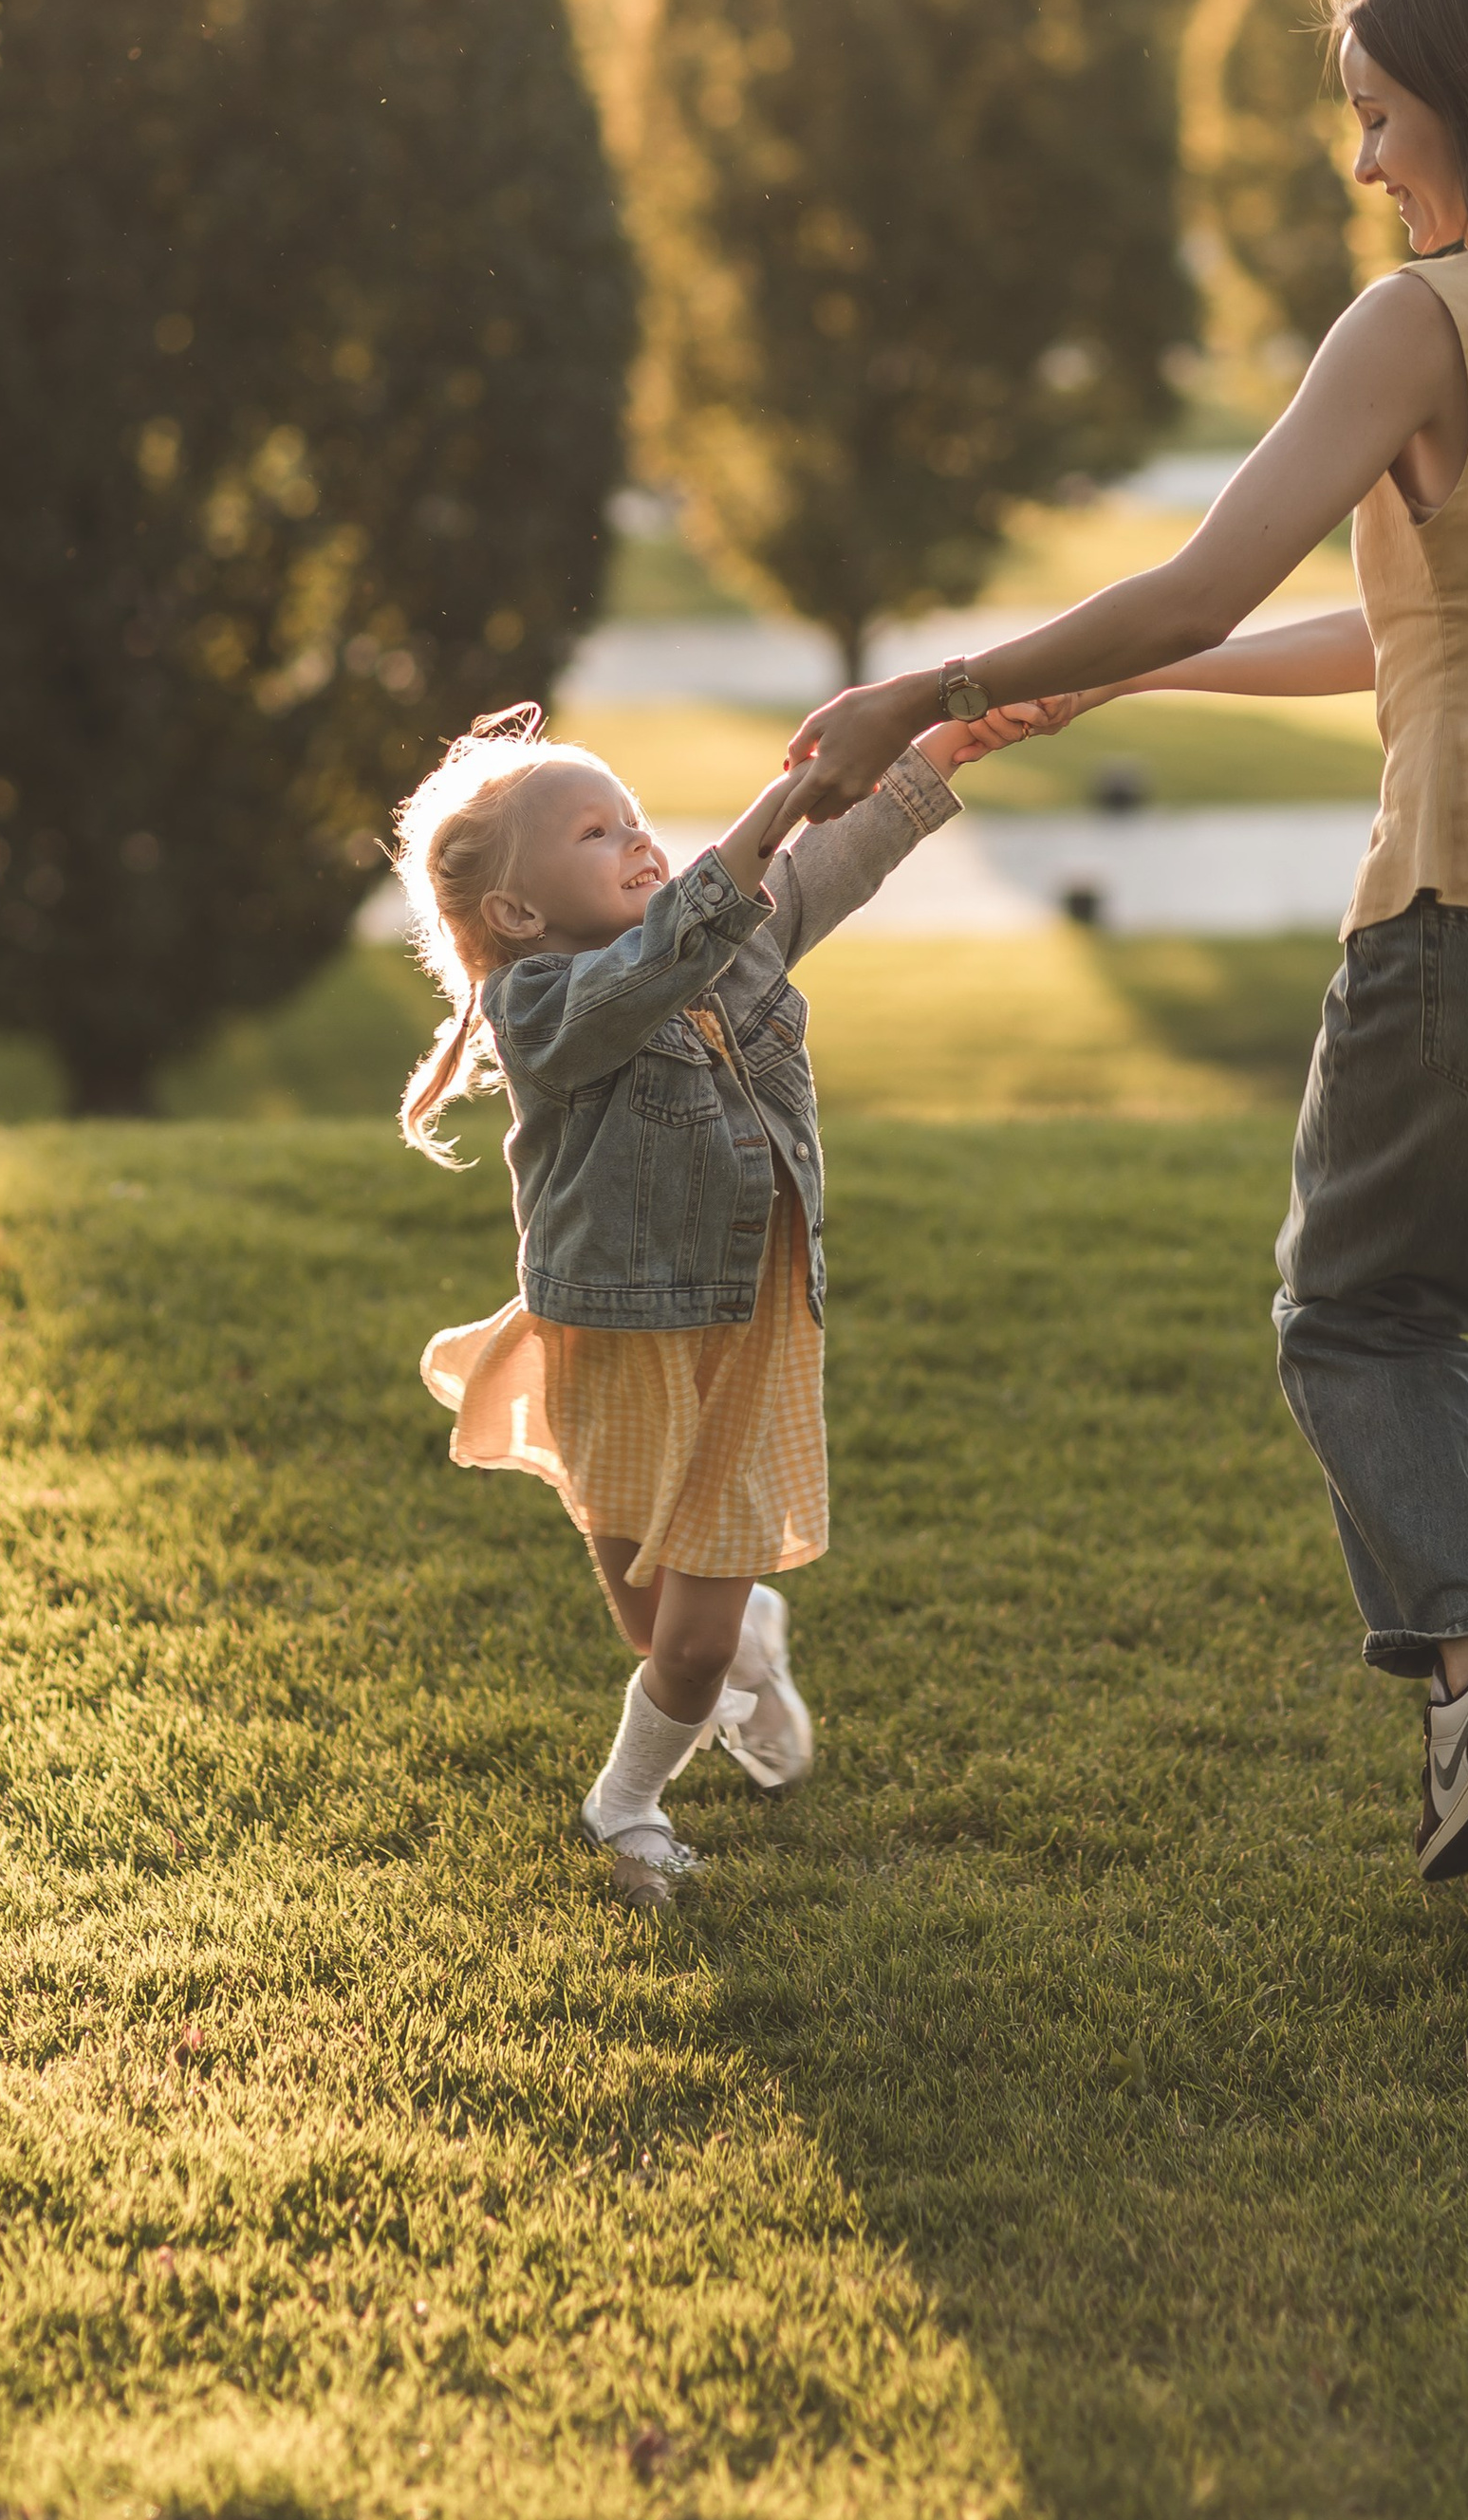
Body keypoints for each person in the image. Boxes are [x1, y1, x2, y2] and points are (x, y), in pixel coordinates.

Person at [783, 0, 1468, 1985]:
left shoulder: (1419, 320)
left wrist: (937, 685)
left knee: (1353, 1313)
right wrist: (1124, 696)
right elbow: (1428, 619)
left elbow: (1195, 579)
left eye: (1375, 117)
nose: (1363, 166)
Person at [393, 695, 1036, 1889]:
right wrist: (779, 798)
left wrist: (943, 746)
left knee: (685, 1651)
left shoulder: (725, 939)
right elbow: (655, 963)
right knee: (659, 1630)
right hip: (611, 1337)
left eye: (635, 817)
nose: (640, 841)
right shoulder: (543, 1009)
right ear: (518, 913)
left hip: (748, 1326)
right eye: (597, 832)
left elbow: (834, 861)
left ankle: (623, 1803)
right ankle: (752, 1642)